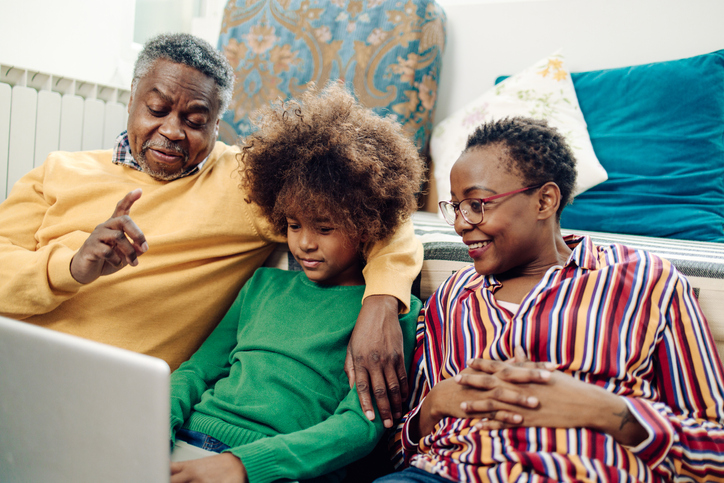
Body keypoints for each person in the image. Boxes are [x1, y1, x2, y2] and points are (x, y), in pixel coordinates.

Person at [0, 33, 421, 427]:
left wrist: (382, 300)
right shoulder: (58, 170)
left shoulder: (247, 182)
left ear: (217, 124)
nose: (171, 130)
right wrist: (70, 268)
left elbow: (384, 215)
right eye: (157, 109)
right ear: (131, 99)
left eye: (195, 119)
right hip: (15, 365)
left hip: (105, 402)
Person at [380, 117, 724, 482]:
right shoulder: (451, 299)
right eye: (456, 207)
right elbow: (398, 451)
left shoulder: (646, 280)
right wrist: (433, 406)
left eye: (478, 204)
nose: (462, 224)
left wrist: (605, 410)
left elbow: (715, 449)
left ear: (544, 200)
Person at [167, 82, 424, 483]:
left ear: (366, 225)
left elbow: (361, 427)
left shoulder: (391, 315)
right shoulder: (262, 285)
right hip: (186, 441)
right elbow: (196, 371)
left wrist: (245, 465)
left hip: (273, 468)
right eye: (292, 225)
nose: (304, 242)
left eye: (324, 227)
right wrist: (155, 426)